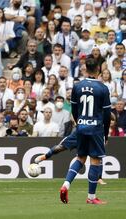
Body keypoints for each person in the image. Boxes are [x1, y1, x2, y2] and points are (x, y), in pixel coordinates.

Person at [59, 58, 111, 205]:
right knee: (95, 160)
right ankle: (91, 197)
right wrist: (105, 134)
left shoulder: (77, 86)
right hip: (96, 129)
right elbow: (107, 115)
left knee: (80, 157)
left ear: (85, 69)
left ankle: (66, 185)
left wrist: (80, 123)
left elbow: (74, 110)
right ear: (99, 70)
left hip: (81, 127)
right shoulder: (103, 88)